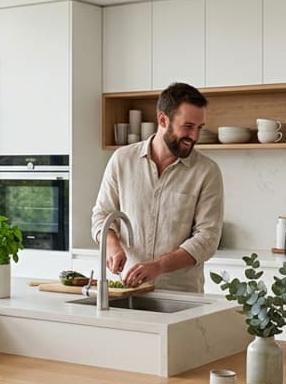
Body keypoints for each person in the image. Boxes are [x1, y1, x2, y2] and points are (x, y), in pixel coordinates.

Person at [91, 82, 224, 293]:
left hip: (181, 296)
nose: (195, 137)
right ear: (162, 120)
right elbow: (102, 215)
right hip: (127, 290)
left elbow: (207, 239)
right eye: (188, 126)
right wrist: (112, 246)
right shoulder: (122, 160)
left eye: (200, 128)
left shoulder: (207, 171)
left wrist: (159, 266)